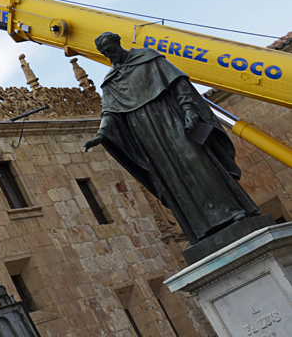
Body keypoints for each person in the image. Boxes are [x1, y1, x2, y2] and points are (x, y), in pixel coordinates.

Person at [84, 32, 261, 244]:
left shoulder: (148, 58)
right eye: (104, 53)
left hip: (170, 118)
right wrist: (102, 134)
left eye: (110, 49)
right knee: (173, 177)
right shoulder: (111, 82)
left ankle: (232, 210)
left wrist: (189, 109)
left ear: (117, 43)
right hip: (147, 134)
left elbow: (179, 84)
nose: (108, 54)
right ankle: (201, 228)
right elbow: (110, 113)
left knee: (197, 161)